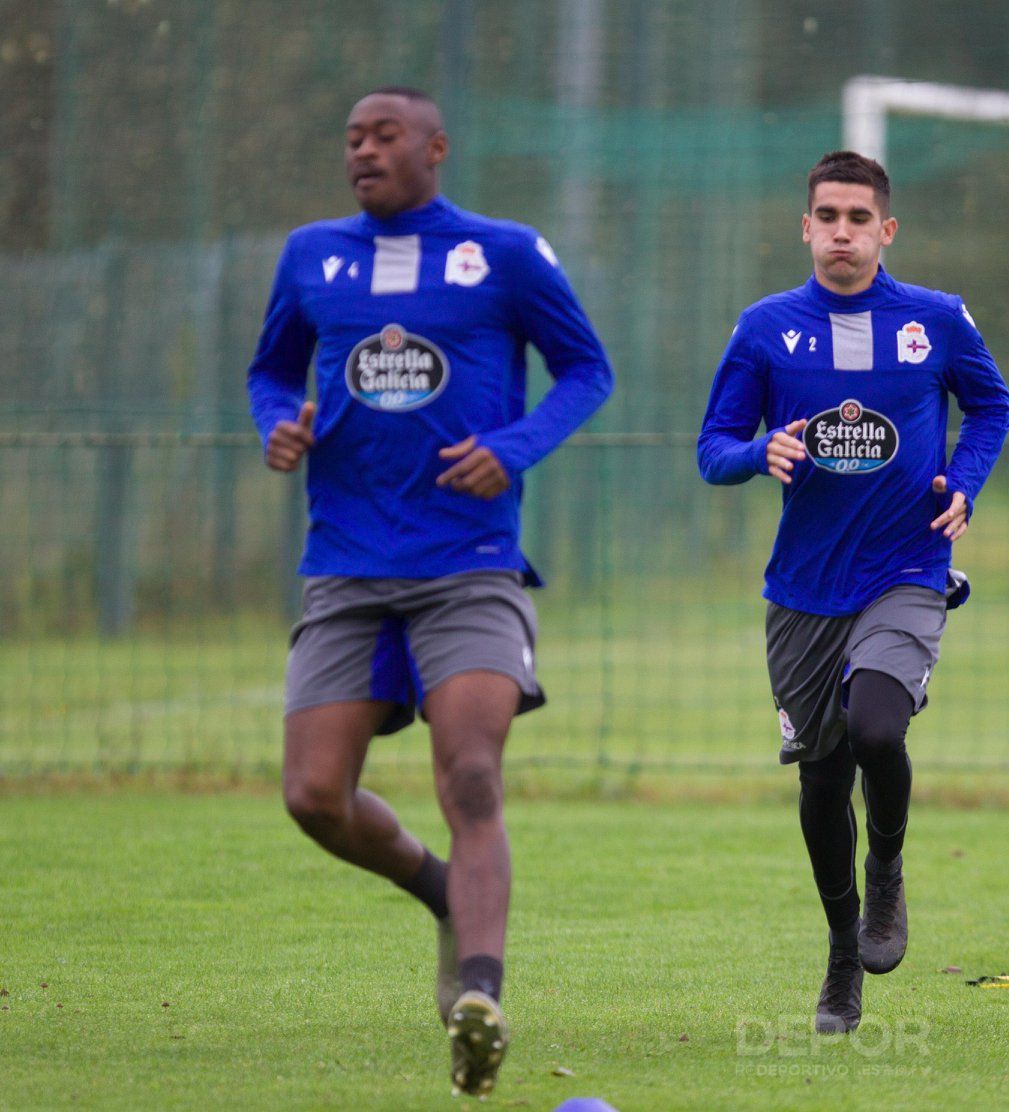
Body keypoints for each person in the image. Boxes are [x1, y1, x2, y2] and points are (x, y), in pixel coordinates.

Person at [246, 86, 612, 1096]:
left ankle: (479, 997)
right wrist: (278, 420)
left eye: (383, 135)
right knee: (313, 794)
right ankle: (441, 890)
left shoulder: (504, 253)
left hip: (469, 566)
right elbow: (269, 371)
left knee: (472, 774)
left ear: (436, 148)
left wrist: (513, 446)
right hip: (346, 565)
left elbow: (587, 369)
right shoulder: (312, 254)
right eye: (351, 136)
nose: (362, 150)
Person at [697, 151, 1009, 1033]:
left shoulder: (935, 321)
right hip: (803, 590)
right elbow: (713, 445)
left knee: (879, 725)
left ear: (886, 230)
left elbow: (991, 407)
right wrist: (759, 453)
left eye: (858, 218)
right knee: (823, 779)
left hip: (906, 569)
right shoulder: (765, 329)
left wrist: (964, 482)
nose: (842, 232)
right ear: (806, 227)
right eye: (827, 216)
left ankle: (889, 875)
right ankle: (843, 956)